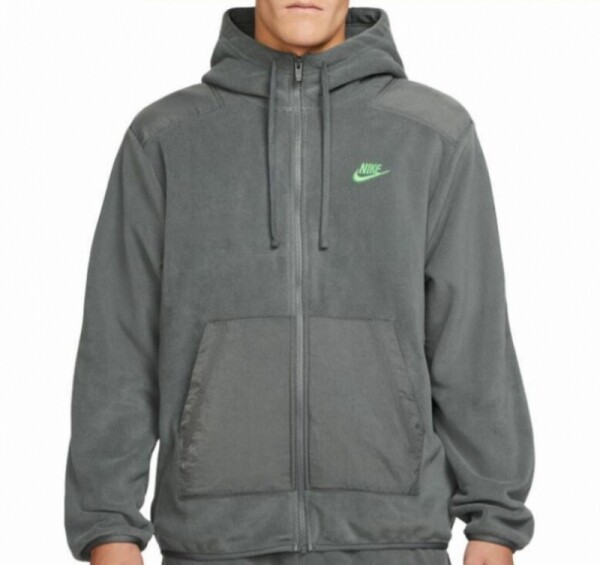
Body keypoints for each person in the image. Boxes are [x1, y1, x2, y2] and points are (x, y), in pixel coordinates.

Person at [64, 2, 536, 564]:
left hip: (392, 540)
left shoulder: (432, 133)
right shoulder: (166, 138)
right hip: (214, 542)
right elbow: (119, 342)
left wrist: (495, 521)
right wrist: (108, 527)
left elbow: (473, 335)